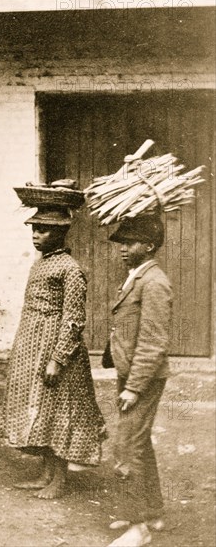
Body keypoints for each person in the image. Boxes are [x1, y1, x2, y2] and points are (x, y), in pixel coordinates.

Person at [0, 205, 106, 499]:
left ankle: (59, 479)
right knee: (41, 410)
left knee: (59, 412)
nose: (36, 235)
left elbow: (73, 319)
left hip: (55, 351)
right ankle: (45, 473)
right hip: (32, 346)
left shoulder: (70, 269)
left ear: (60, 233)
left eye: (43, 230)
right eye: (34, 229)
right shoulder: (41, 263)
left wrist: (58, 359)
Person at [106, 213, 172, 547]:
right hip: (130, 373)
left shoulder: (154, 282)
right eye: (121, 241)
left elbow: (153, 342)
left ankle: (138, 527)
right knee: (140, 443)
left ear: (149, 245)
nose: (122, 248)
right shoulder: (137, 275)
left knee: (126, 446)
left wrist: (134, 387)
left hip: (142, 378)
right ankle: (154, 510)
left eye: (130, 242)